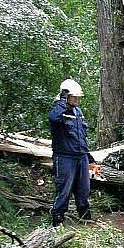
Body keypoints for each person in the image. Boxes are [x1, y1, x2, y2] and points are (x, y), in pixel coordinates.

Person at [49, 79, 94, 226]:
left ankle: (85, 218)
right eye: (74, 97)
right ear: (65, 96)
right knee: (64, 190)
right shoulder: (58, 111)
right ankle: (57, 221)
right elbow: (52, 118)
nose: (77, 100)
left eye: (78, 97)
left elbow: (81, 135)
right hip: (64, 158)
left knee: (84, 189)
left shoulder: (78, 112)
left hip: (81, 157)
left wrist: (88, 156)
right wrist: (62, 102)